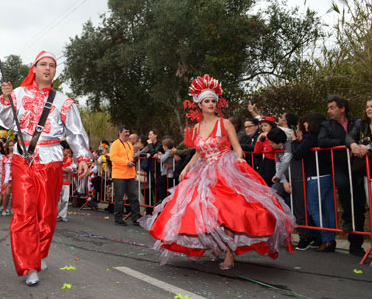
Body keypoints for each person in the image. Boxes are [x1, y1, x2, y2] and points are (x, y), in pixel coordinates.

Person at [140, 74, 295, 270]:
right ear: (200, 104)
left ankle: (229, 253)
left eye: (213, 100)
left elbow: (237, 147)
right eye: (207, 101)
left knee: (230, 211)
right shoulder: (196, 128)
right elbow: (199, 151)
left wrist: (238, 158)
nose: (211, 104)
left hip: (226, 169)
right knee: (203, 211)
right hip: (204, 172)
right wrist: (187, 168)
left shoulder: (225, 123)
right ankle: (217, 245)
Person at [0, 50, 91, 286]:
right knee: (24, 211)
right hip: (23, 158)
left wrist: (82, 158)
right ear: (34, 68)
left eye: (52, 65)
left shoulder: (64, 101)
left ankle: (40, 252)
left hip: (51, 160)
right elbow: (4, 121)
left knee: (47, 213)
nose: (48, 68)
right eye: (43, 64)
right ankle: (29, 265)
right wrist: (5, 99)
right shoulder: (17, 93)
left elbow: (76, 133)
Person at [318, 95, 365, 256]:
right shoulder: (326, 125)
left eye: (332, 107)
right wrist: (345, 142)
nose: (329, 111)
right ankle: (346, 217)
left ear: (342, 108)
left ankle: (356, 244)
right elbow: (322, 142)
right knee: (343, 188)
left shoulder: (357, 122)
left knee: (358, 203)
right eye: (328, 108)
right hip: (339, 165)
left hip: (357, 167)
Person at [348, 97, 372, 250]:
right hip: (369, 174)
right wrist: (353, 144)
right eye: (367, 106)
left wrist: (369, 146)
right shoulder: (361, 124)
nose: (368, 109)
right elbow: (349, 136)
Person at [293, 113, 335, 251]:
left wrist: (295, 141)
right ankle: (331, 238)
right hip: (327, 176)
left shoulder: (310, 138)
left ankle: (326, 239)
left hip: (316, 177)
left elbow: (297, 154)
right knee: (328, 209)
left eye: (307, 122)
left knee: (313, 208)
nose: (304, 125)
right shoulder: (321, 138)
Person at [109, 125, 141, 226]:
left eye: (128, 132)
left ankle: (136, 218)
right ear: (120, 133)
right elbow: (113, 158)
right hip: (119, 175)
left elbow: (130, 156)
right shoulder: (115, 144)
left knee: (134, 197)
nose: (127, 134)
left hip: (130, 174)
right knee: (119, 198)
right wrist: (126, 162)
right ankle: (118, 219)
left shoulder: (129, 144)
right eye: (125, 132)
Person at [253, 116, 278, 186]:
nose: (263, 128)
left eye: (266, 125)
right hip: (266, 162)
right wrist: (258, 140)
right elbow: (256, 151)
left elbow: (270, 149)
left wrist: (268, 138)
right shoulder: (263, 137)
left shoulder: (276, 135)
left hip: (274, 162)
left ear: (272, 126)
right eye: (262, 126)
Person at [57, 142, 75, 222]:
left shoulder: (70, 159)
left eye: (68, 149)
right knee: (57, 200)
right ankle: (56, 214)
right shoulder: (57, 158)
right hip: (57, 182)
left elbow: (72, 168)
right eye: (66, 149)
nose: (68, 150)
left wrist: (65, 169)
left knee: (65, 199)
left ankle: (62, 215)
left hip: (66, 183)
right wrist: (65, 169)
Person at [0, 139, 15, 216]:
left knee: (15, 194)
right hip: (8, 176)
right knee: (7, 193)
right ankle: (4, 208)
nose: (11, 147)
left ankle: (12, 207)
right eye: (10, 145)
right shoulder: (5, 156)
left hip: (16, 176)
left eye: (13, 145)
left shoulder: (18, 156)